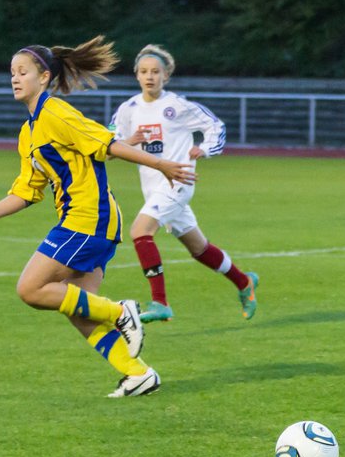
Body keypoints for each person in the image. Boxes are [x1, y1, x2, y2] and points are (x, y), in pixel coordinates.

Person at [0, 37, 195, 398]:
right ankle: (137, 374)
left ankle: (121, 311)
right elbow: (27, 190)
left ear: (44, 76)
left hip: (89, 218)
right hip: (87, 221)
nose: (14, 78)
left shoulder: (56, 112)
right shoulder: (29, 132)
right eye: (11, 73)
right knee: (78, 309)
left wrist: (162, 164)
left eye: (22, 72)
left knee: (31, 288)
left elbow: (107, 143)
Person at [111, 44, 258, 323]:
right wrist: (130, 141)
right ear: (136, 75)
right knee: (198, 248)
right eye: (143, 72)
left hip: (178, 180)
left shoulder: (177, 106)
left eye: (155, 71)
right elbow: (111, 140)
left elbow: (216, 126)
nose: (149, 76)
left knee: (140, 231)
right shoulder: (128, 109)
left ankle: (160, 303)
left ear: (167, 75)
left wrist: (204, 149)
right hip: (152, 187)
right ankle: (244, 282)